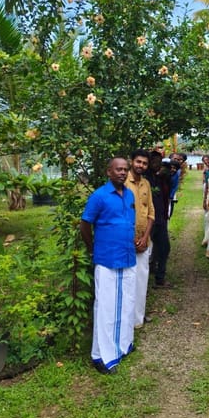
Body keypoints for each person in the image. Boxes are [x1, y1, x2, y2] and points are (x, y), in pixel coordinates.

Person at [80, 157, 136, 374]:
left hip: (128, 257)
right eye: (118, 169)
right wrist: (92, 248)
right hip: (106, 258)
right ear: (109, 172)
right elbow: (85, 224)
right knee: (105, 307)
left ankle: (122, 345)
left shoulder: (129, 194)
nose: (123, 173)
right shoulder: (99, 196)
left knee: (126, 302)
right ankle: (100, 355)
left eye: (125, 170)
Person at [126, 149, 155, 329]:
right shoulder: (123, 183)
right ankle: (126, 319)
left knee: (141, 280)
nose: (141, 166)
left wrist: (145, 238)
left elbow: (151, 212)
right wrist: (132, 240)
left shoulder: (146, 184)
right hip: (126, 242)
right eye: (138, 162)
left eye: (144, 163)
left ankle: (138, 318)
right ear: (131, 161)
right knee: (127, 280)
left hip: (144, 241)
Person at [146, 151, 173, 289]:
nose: (157, 164)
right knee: (145, 250)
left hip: (160, 218)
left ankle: (159, 278)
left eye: (159, 161)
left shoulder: (159, 178)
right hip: (147, 220)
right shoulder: (145, 179)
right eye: (154, 162)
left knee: (164, 247)